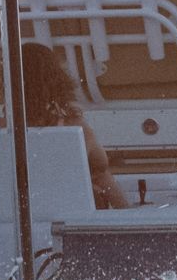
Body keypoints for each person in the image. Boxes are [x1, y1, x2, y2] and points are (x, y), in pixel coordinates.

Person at [18, 43, 132, 210]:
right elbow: (100, 174)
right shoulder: (73, 127)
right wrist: (126, 214)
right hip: (67, 212)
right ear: (55, 79)